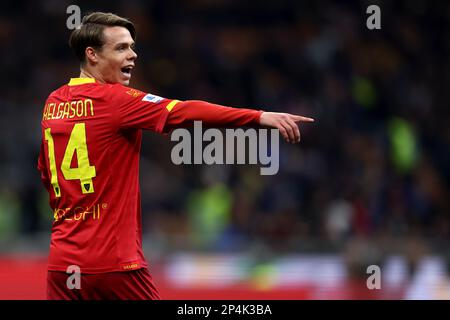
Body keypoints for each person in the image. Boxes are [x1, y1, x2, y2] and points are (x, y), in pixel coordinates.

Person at [37, 12, 314, 300]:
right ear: (92, 55)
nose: (132, 55)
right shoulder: (115, 100)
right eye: (121, 48)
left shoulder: (53, 103)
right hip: (112, 263)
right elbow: (184, 111)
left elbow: (47, 173)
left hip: (63, 263)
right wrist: (257, 117)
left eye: (132, 46)